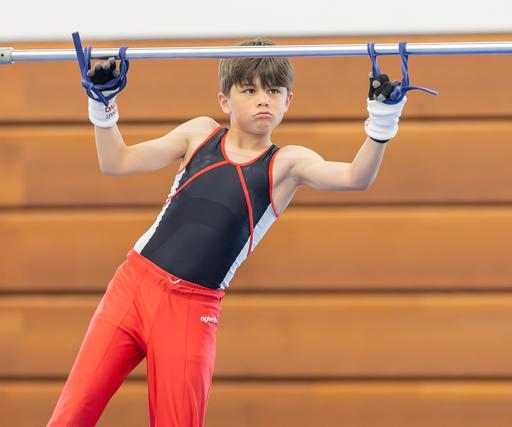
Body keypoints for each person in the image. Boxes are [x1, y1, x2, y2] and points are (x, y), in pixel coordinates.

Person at [47, 38, 406, 427]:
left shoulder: (287, 164)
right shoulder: (200, 134)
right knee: (72, 414)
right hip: (133, 286)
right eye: (249, 90)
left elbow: (356, 177)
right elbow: (115, 162)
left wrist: (381, 122)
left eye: (273, 91)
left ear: (289, 101)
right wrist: (103, 105)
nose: (263, 100)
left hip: (192, 310)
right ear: (224, 101)